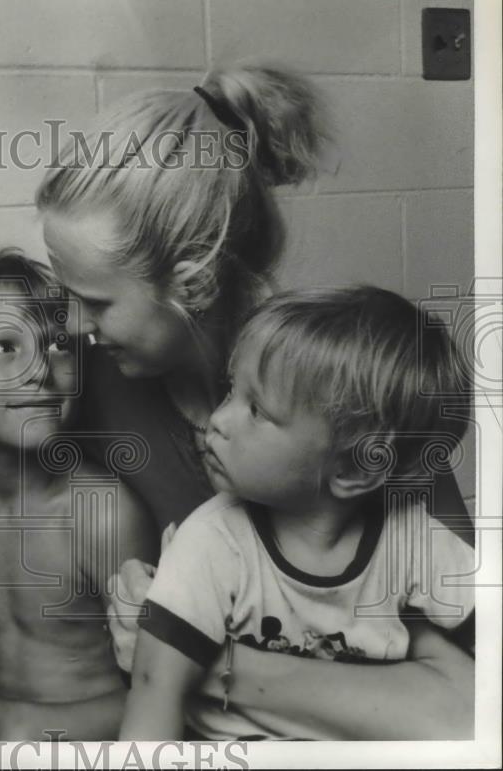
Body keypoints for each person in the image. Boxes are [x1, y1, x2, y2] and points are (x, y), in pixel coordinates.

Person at [35, 61, 474, 738]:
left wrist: (186, 656)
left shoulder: (342, 395)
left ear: (195, 282)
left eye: (94, 301)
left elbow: (458, 706)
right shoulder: (87, 376)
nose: (67, 327)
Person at [120, 287, 475, 740]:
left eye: (256, 410)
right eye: (231, 390)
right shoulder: (211, 541)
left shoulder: (412, 541)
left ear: (353, 468)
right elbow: (154, 688)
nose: (219, 420)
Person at [0, 251, 158, 740]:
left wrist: (13, 725)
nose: (42, 368)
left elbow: (167, 692)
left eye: (58, 344)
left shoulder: (100, 514)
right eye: (5, 345)